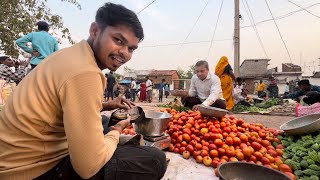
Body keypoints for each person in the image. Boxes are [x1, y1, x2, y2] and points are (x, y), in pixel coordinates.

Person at [0, 3, 167, 180]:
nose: (124, 53)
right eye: (118, 40)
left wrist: (105, 105)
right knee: (155, 160)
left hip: (13, 156)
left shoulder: (71, 55)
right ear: (95, 30)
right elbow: (87, 168)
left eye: (131, 48)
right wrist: (116, 132)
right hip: (30, 170)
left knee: (103, 121)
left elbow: (60, 106)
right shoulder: (86, 72)